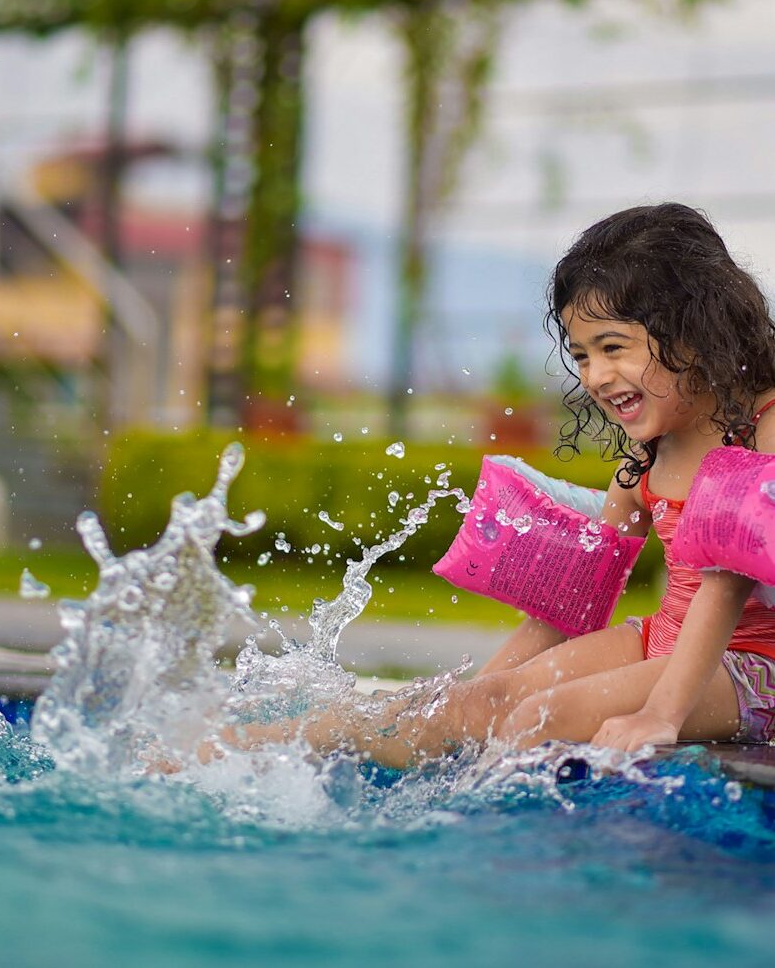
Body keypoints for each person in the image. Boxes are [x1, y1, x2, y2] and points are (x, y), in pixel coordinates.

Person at [202, 203, 775, 769]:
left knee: (540, 718)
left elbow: (723, 586)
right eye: (581, 355)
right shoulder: (644, 460)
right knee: (477, 706)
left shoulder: (762, 430)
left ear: (692, 332)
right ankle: (249, 750)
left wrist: (659, 716)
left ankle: (496, 845)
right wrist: (469, 703)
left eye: (613, 348)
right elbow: (575, 603)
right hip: (664, 642)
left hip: (754, 665)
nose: (596, 377)